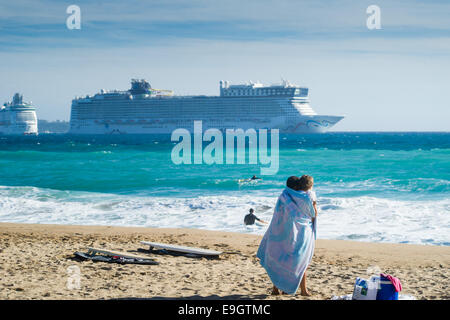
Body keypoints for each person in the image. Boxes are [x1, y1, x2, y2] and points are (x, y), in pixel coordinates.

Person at [256, 175, 317, 296]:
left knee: (279, 259)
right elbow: (313, 213)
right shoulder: (307, 197)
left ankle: (276, 289)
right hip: (301, 233)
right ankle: (303, 290)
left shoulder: (284, 196)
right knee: (301, 262)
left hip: (282, 233)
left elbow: (278, 214)